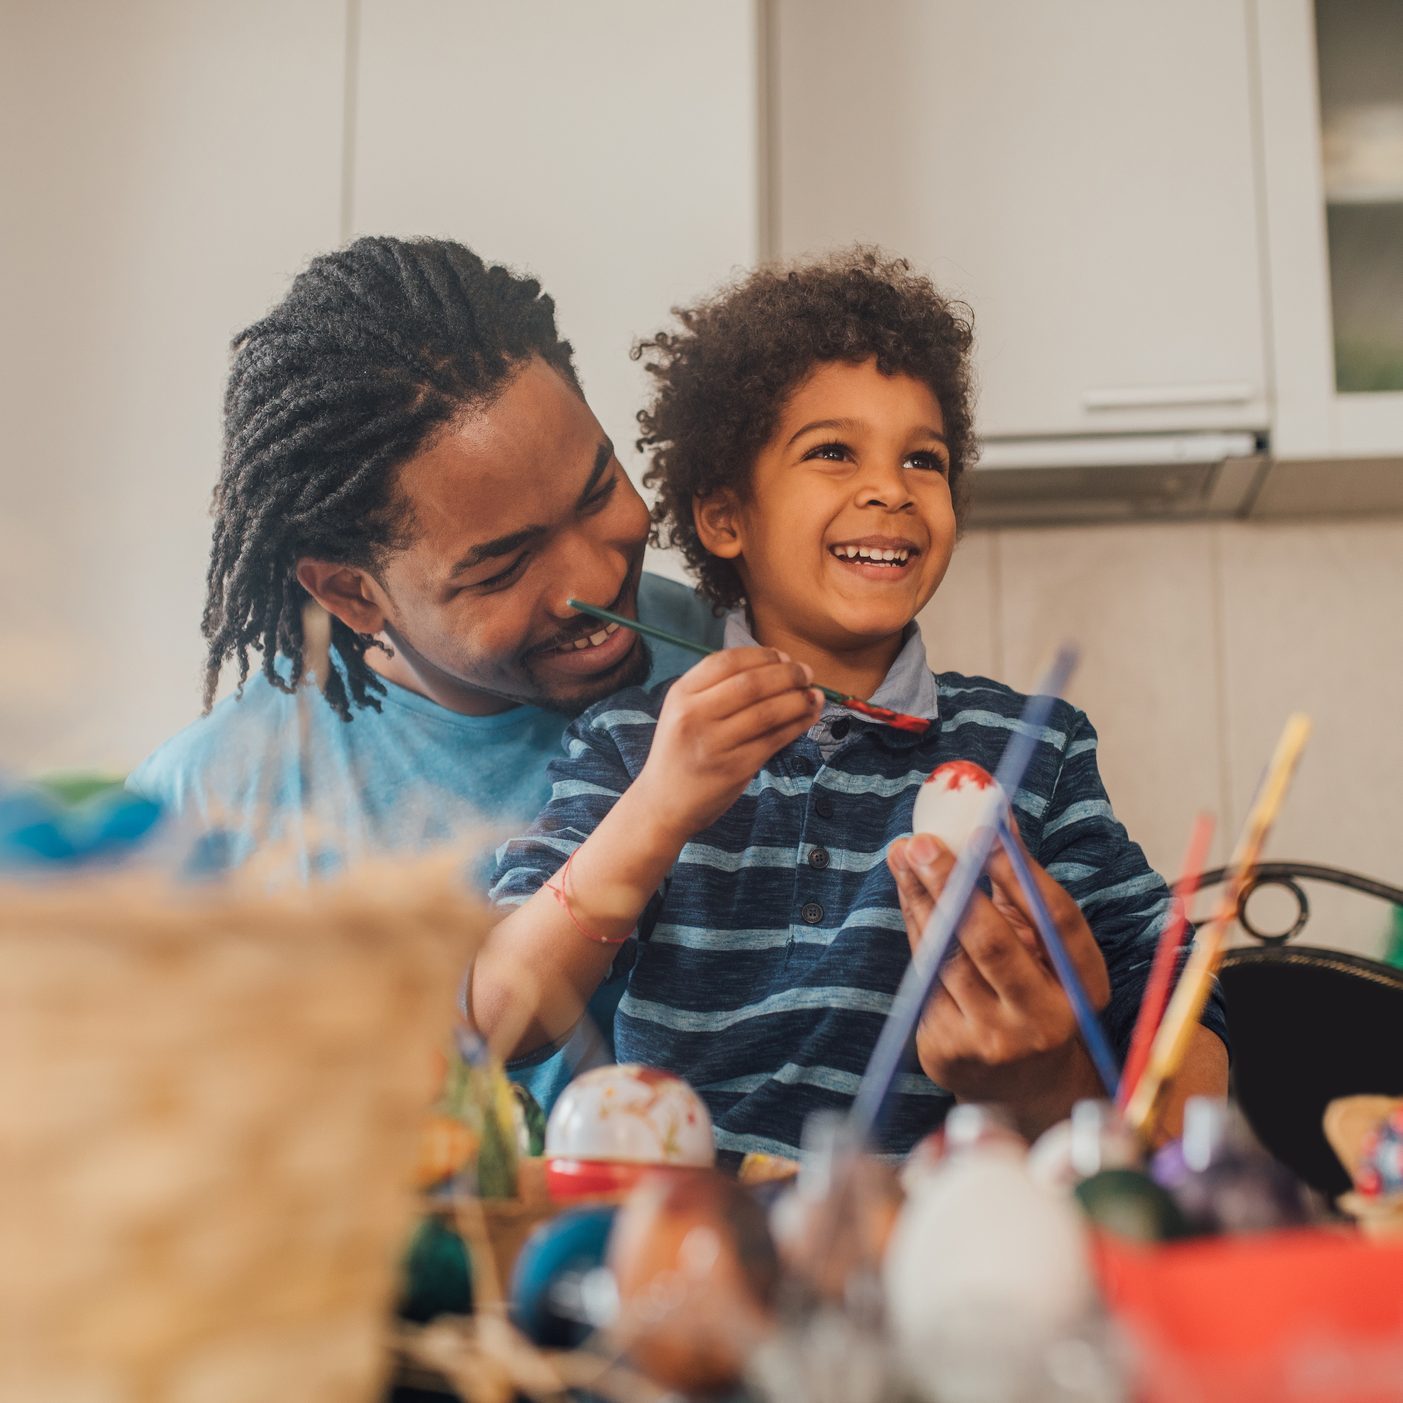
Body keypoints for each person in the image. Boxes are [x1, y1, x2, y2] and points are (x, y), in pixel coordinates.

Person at [474, 249, 1228, 1158]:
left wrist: (1068, 1076)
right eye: (832, 452)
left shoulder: (1031, 743)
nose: (890, 488)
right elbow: (499, 1020)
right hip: (683, 1243)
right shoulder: (637, 741)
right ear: (724, 518)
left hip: (938, 1239)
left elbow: (1185, 1004)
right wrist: (658, 808)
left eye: (925, 458)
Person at [128, 235, 724, 1108]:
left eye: (598, 491)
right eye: (502, 566)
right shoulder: (205, 816)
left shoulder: (734, 654)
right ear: (351, 594)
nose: (595, 583)